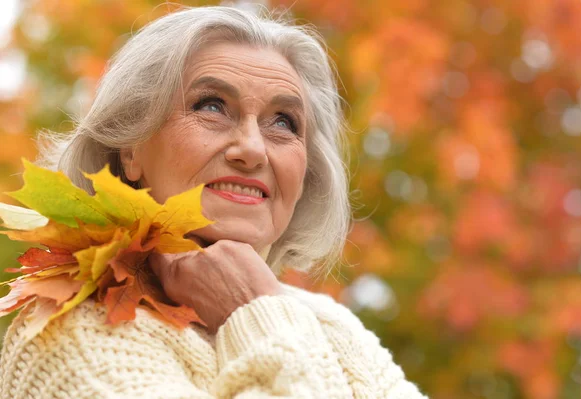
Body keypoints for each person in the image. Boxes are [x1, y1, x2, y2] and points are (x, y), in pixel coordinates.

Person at [0, 6, 427, 399]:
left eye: (283, 122)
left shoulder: (333, 326)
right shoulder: (71, 330)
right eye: (212, 106)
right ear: (131, 147)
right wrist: (255, 313)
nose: (253, 149)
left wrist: (259, 308)